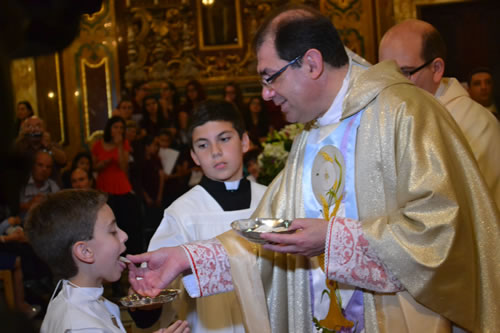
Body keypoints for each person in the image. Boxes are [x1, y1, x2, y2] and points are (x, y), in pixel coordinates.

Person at [128, 5, 499, 333]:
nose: (265, 94)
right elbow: (266, 236)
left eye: (270, 76)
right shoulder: (314, 133)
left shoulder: (406, 112)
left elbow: (443, 233)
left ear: (311, 63)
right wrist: (184, 258)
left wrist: (333, 240)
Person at [132, 100, 267, 333]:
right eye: (203, 145)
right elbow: (155, 296)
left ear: (244, 142)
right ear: (194, 156)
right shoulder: (182, 213)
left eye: (224, 139)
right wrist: (146, 299)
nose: (215, 152)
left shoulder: (271, 201)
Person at [24, 189, 189, 333]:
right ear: (85, 251)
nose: (124, 235)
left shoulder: (70, 298)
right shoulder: (83, 326)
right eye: (112, 231)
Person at [379, 19, 500, 208]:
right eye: (386, 74)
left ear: (436, 69)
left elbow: (462, 210)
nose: (392, 86)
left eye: (405, 72)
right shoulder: (384, 119)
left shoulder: (477, 124)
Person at [91, 116, 142, 254]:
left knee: (125, 221)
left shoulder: (124, 143)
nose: (118, 130)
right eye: (115, 127)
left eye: (121, 128)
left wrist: (119, 145)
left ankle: (127, 253)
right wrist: (102, 164)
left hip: (121, 185)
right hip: (104, 185)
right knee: (107, 222)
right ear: (109, 128)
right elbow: (93, 167)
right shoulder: (97, 144)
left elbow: (124, 167)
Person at [19, 150, 60, 220]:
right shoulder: (21, 182)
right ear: (33, 166)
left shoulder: (53, 187)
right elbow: (10, 208)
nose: (44, 169)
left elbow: (59, 210)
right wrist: (29, 205)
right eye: (40, 165)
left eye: (48, 167)